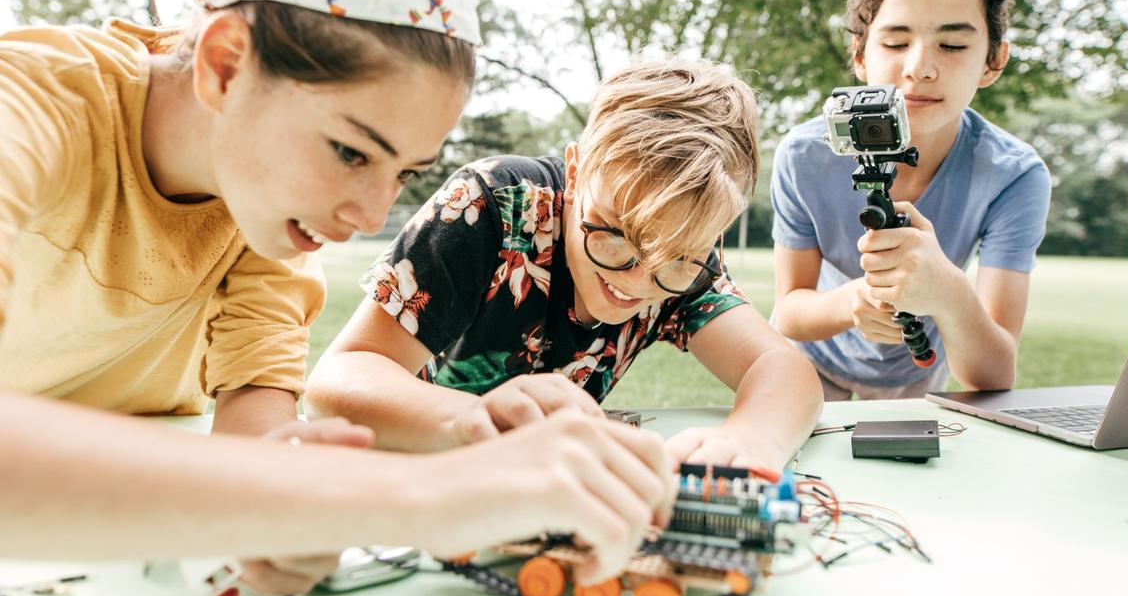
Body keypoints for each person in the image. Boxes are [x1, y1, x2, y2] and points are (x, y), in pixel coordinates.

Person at [0, 0, 673, 593]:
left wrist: (278, 523)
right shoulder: (32, 107)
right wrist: (422, 496)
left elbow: (254, 444)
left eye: (403, 172)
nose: (368, 215)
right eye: (351, 151)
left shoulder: (268, 220)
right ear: (226, 65)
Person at [307, 56, 824, 470]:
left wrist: (752, 439)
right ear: (575, 173)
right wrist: (478, 419)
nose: (638, 282)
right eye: (616, 236)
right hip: (412, 480)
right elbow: (337, 380)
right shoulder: (491, 204)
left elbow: (782, 368)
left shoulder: (684, 263)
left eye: (678, 259)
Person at [770, 0, 1052, 400]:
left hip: (918, 375)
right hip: (811, 365)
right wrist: (853, 301)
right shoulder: (804, 156)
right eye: (896, 43)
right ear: (860, 56)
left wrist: (948, 290)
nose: (919, 67)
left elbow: (992, 375)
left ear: (993, 61)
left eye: (954, 44)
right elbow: (787, 313)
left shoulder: (1014, 175)